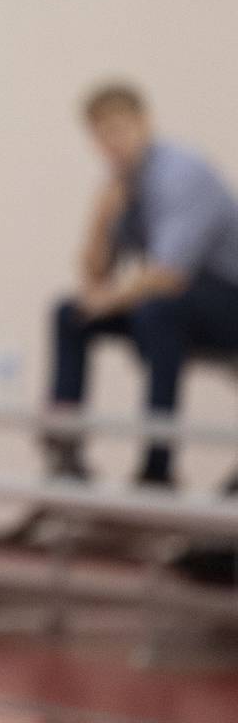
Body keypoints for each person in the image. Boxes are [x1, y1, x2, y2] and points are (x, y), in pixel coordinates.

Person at [46, 81, 238, 486]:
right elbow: (96, 280)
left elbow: (168, 276)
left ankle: (157, 467)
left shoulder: (182, 172)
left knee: (158, 312)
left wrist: (106, 300)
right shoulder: (121, 187)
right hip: (178, 301)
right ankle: (66, 455)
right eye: (101, 135)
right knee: (69, 314)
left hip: (226, 297)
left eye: (119, 129)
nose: (111, 144)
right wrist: (99, 218)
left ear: (144, 123)